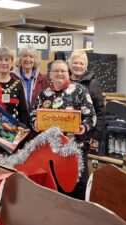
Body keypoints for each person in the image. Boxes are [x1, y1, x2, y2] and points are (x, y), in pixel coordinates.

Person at [31, 60, 96, 200]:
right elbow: (33, 114)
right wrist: (36, 123)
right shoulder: (44, 94)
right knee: (55, 186)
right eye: (56, 71)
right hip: (50, 151)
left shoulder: (80, 90)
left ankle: (78, 218)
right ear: (50, 74)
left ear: (69, 74)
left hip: (75, 148)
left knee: (77, 186)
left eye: (63, 71)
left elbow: (91, 116)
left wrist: (83, 127)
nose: (60, 74)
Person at [69, 50, 105, 151]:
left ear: (86, 66)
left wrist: (95, 135)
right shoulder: (65, 81)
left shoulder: (93, 84)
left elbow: (100, 111)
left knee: (81, 165)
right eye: (75, 62)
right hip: (66, 134)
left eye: (81, 63)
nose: (78, 66)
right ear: (70, 64)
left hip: (85, 135)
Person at [11, 45, 48, 112]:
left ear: (35, 60)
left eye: (31, 56)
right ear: (20, 58)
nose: (28, 59)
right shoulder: (11, 77)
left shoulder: (42, 79)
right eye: (25, 56)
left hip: (36, 119)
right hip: (17, 119)